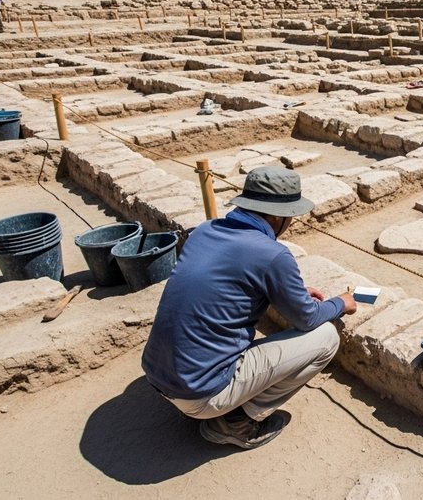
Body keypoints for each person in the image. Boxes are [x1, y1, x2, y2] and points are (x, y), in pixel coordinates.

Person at [142, 166, 357, 449]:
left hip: (157, 376)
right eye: (290, 216)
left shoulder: (205, 230)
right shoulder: (273, 254)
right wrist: (341, 302)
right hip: (199, 395)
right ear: (278, 216)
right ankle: (234, 422)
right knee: (326, 338)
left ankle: (213, 401)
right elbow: (307, 318)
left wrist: (289, 290)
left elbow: (228, 282)